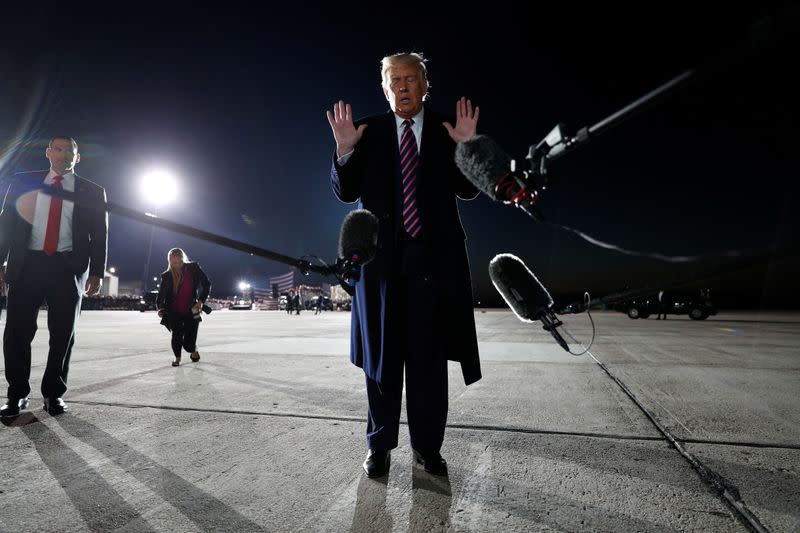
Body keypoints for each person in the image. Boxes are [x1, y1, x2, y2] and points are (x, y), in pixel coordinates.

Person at [326, 52, 481, 478]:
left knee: (429, 365)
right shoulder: (367, 131)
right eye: (395, 80)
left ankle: (428, 448)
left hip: (433, 267)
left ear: (426, 84)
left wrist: (468, 147)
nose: (404, 87)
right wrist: (343, 150)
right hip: (379, 270)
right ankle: (379, 447)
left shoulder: (448, 129)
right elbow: (345, 191)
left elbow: (468, 190)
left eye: (412, 78)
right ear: (385, 88)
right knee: (381, 363)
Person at [0, 136, 107, 417]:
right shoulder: (24, 181)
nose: (65, 155)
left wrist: (97, 271)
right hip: (27, 265)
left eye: (72, 150)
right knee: (16, 333)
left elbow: (99, 233)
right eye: (59, 149)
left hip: (67, 267)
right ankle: (16, 394)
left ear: (78, 157)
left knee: (63, 334)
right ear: (48, 153)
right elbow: (6, 225)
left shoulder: (92, 191)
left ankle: (53, 394)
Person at [156, 248, 211, 367]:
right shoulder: (167, 276)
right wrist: (160, 307)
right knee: (176, 336)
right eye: (174, 263)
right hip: (173, 311)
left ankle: (193, 350)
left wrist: (201, 301)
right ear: (170, 262)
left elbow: (206, 284)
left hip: (191, 310)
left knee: (188, 343)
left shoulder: (193, 268)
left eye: (180, 262)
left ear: (183, 259)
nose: (177, 265)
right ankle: (177, 358)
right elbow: (161, 294)